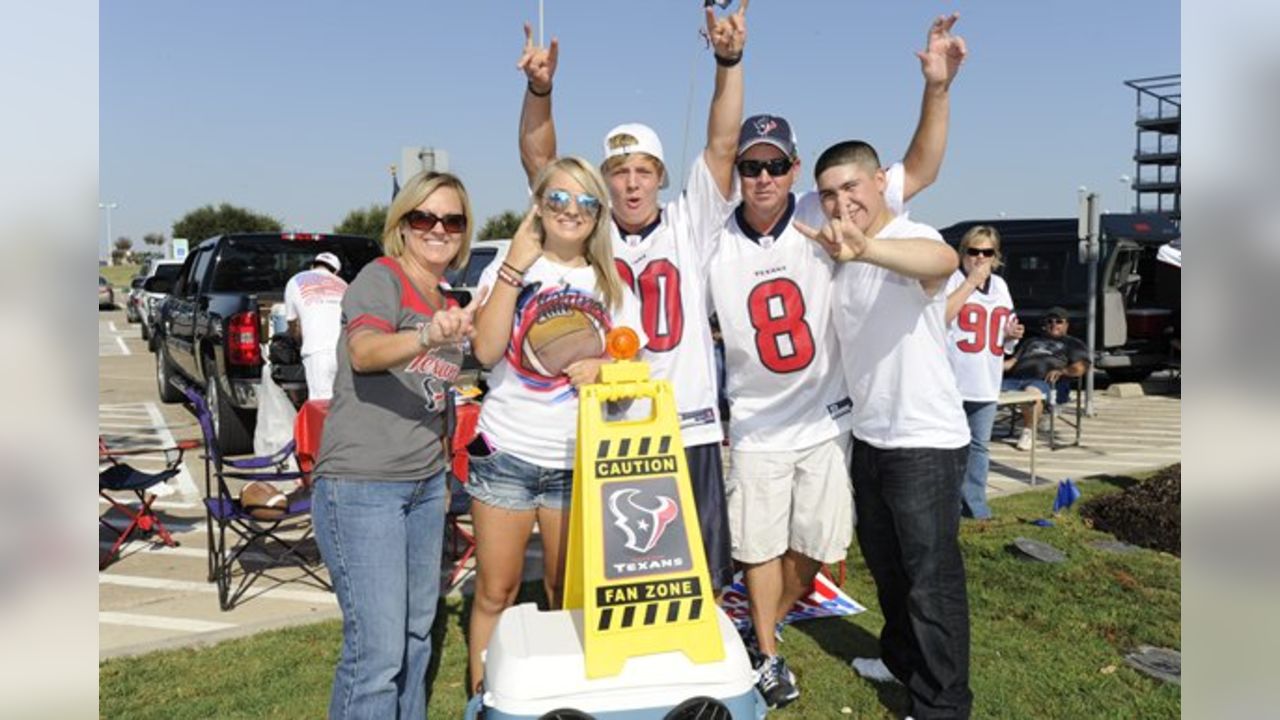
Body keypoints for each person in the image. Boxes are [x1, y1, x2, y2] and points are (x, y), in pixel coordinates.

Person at [708, 14, 965, 710]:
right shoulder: (751, 234)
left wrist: (937, 89)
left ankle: (942, 698)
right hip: (846, 430)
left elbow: (933, 215)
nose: (761, 175)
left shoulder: (873, 226)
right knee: (885, 566)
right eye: (750, 165)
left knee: (921, 570)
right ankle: (879, 660)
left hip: (886, 429)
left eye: (774, 164)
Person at [514, 1, 747, 595]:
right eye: (619, 171)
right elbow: (541, 165)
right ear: (604, 181)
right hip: (611, 425)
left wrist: (729, 61)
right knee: (624, 570)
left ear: (662, 177)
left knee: (700, 568)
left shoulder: (690, 223)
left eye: (644, 170)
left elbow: (722, 146)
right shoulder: (588, 228)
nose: (632, 182)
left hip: (685, 421)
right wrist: (541, 92)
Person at [796, 138, 973, 717]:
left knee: (931, 578)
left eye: (852, 187)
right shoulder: (832, 239)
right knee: (889, 569)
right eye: (828, 194)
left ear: (881, 183)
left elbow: (943, 262)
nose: (841, 202)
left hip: (924, 440)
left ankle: (943, 702)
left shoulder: (905, 239)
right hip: (870, 436)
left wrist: (867, 248)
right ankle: (902, 662)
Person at [465, 157, 645, 694]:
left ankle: (559, 694)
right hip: (507, 455)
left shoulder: (612, 282)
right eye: (558, 199)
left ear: (599, 214)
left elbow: (636, 362)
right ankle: (486, 697)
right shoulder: (511, 265)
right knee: (497, 591)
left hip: (575, 459)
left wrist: (607, 366)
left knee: (566, 590)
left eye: (586, 202)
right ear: (538, 206)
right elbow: (486, 349)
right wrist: (513, 270)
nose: (571, 211)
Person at [310, 171, 479, 719]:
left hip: (426, 486)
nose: (437, 229)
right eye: (423, 217)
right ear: (401, 225)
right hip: (364, 487)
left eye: (451, 220)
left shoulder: (446, 295)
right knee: (377, 653)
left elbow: (451, 383)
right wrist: (428, 335)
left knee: (416, 637)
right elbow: (363, 351)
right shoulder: (380, 280)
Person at [944, 226, 1024, 518]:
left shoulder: (1001, 286)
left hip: (986, 380)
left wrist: (1012, 334)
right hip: (951, 381)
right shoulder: (951, 280)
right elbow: (940, 317)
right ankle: (948, 507)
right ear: (962, 253)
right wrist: (970, 284)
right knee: (950, 448)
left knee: (979, 447)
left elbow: (1005, 341)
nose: (979, 258)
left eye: (986, 252)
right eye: (973, 251)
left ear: (996, 256)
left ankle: (976, 506)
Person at [1002, 306, 1091, 450]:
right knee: (984, 390)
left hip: (1044, 382)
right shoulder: (1031, 342)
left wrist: (1064, 371)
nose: (1054, 324)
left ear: (1067, 324)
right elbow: (1012, 363)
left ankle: (1029, 431)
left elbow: (1082, 366)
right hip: (1015, 379)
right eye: (1050, 321)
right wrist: (990, 365)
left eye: (1059, 321)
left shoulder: (1072, 343)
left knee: (1030, 394)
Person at [283, 251, 348, 400]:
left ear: (313, 266)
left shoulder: (295, 280)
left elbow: (293, 324)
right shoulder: (344, 285)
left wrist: (299, 342)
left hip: (318, 352)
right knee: (344, 404)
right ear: (336, 272)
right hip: (346, 352)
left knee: (321, 406)